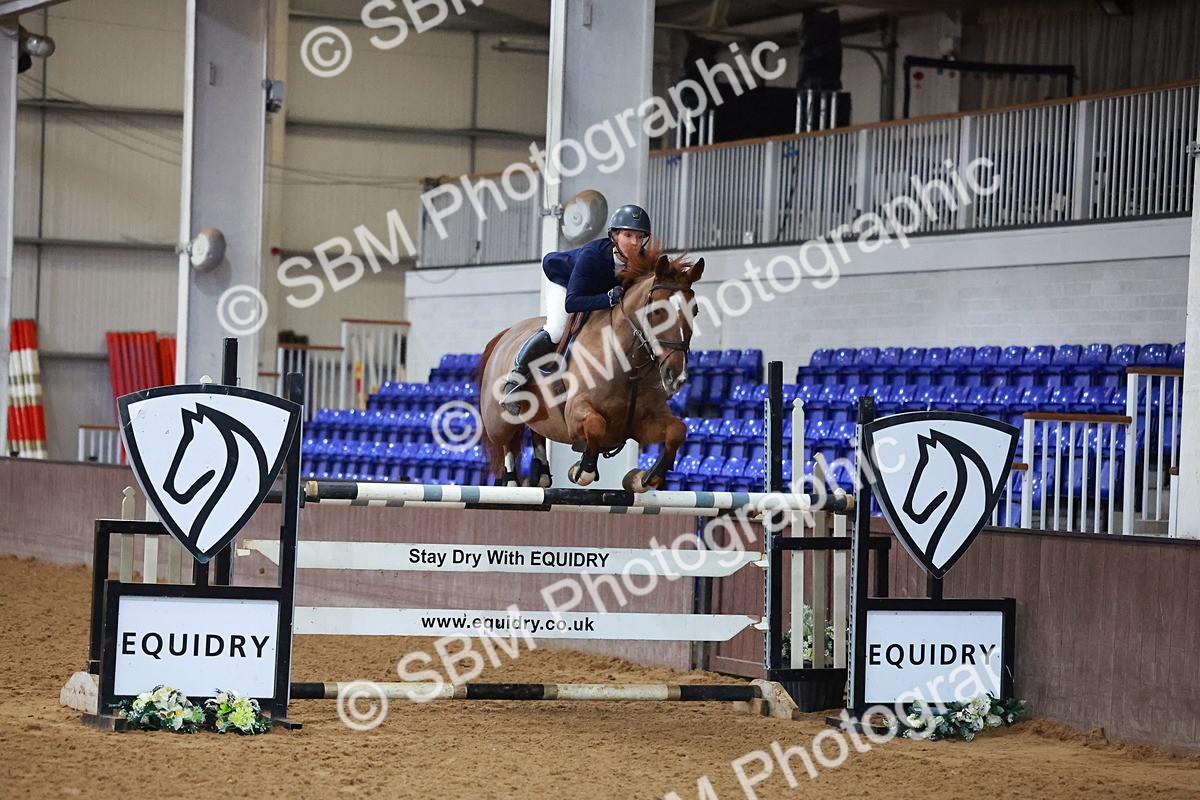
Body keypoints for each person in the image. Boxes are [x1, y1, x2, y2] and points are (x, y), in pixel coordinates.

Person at [500, 204, 652, 412]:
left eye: (639, 236)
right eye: (628, 235)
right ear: (614, 236)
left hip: (598, 291)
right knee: (556, 330)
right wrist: (607, 299)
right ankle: (514, 381)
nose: (635, 243)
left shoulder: (643, 260)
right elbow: (572, 302)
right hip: (565, 282)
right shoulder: (592, 256)